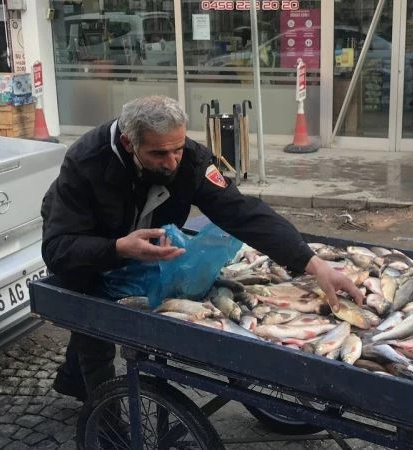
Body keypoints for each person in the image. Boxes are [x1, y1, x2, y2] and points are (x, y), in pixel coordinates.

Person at [41, 95, 364, 401]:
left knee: (102, 317)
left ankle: (71, 378)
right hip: (85, 238)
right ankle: (104, 414)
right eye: (159, 154)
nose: (171, 162)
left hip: (140, 233)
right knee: (92, 319)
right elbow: (58, 249)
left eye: (177, 149)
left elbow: (242, 212)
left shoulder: (192, 159)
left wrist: (314, 264)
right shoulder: (86, 162)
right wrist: (118, 248)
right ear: (129, 143)